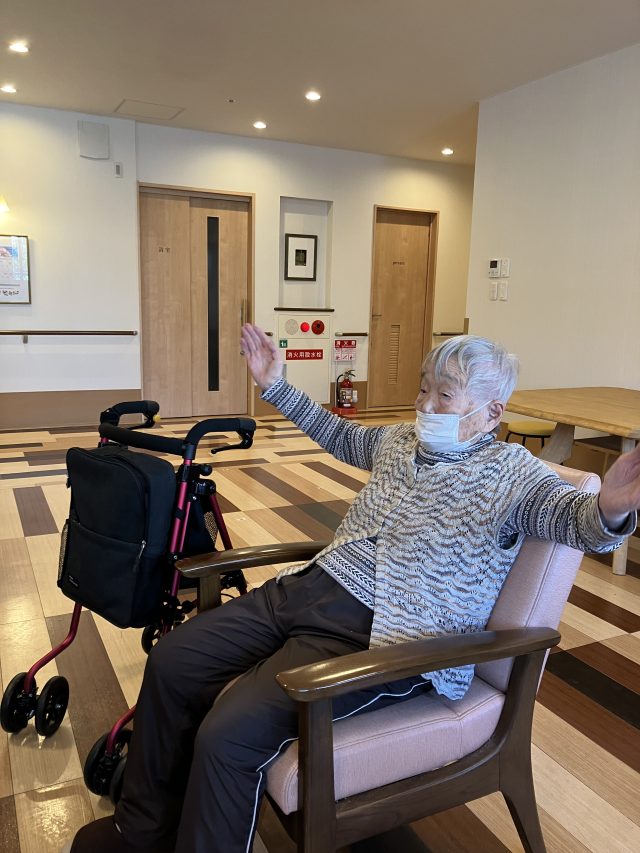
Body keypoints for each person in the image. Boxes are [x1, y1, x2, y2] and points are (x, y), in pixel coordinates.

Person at [68, 325, 639, 853]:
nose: (425, 405)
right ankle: (141, 832)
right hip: (310, 588)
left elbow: (571, 519)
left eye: (445, 395)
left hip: (382, 633)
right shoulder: (400, 441)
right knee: (173, 660)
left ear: (492, 412)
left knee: (229, 734)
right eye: (423, 388)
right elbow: (340, 435)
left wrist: (608, 510)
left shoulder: (515, 474)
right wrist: (275, 386)